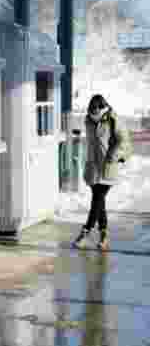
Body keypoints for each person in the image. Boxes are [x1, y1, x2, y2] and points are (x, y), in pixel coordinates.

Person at [74, 94, 127, 250]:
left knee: (97, 200)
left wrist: (113, 155)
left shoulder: (112, 119)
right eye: (92, 108)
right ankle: (103, 235)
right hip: (93, 168)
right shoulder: (88, 121)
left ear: (102, 106)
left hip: (108, 166)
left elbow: (123, 140)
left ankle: (86, 231)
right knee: (100, 203)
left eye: (97, 108)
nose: (94, 111)